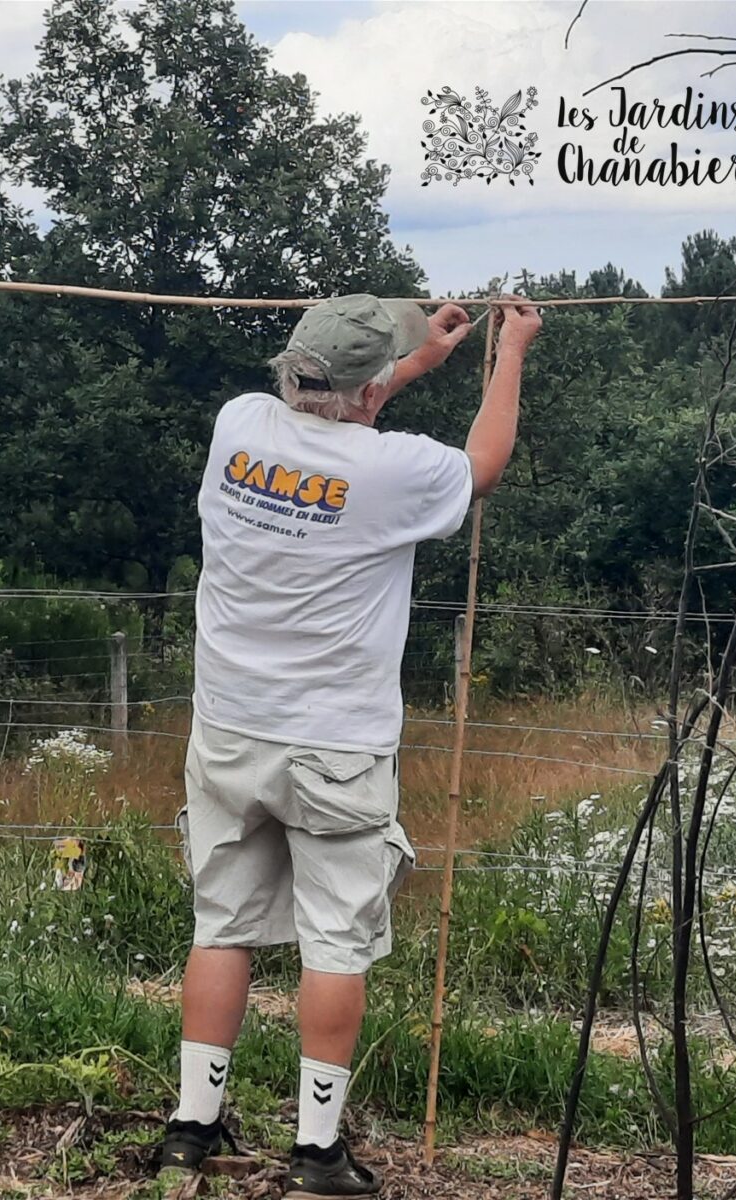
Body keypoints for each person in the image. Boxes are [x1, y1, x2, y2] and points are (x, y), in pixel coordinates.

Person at [158, 293, 542, 1197]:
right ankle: (317, 1150)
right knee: (336, 941)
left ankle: (191, 1129)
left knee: (223, 927)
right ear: (371, 391)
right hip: (336, 743)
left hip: (229, 728)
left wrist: (411, 363)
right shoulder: (393, 471)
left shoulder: (237, 426)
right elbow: (482, 465)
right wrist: (508, 352)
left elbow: (337, 404)